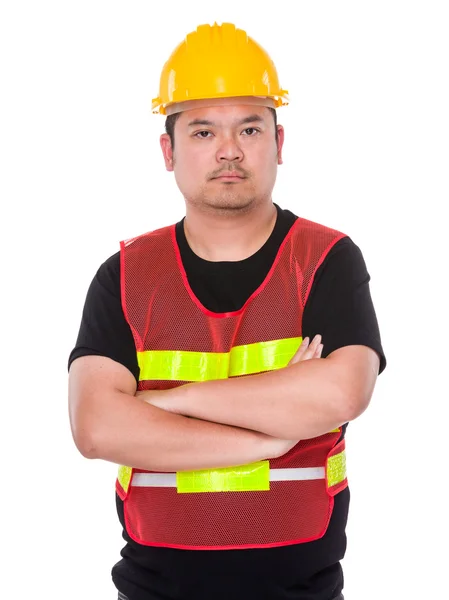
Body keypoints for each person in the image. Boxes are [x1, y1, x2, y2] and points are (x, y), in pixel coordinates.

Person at [68, 22, 386, 600]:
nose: (229, 150)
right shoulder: (125, 276)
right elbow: (96, 427)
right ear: (168, 151)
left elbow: (341, 396)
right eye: (203, 130)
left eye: (249, 127)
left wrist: (169, 401)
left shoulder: (326, 261)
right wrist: (270, 436)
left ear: (279, 143)